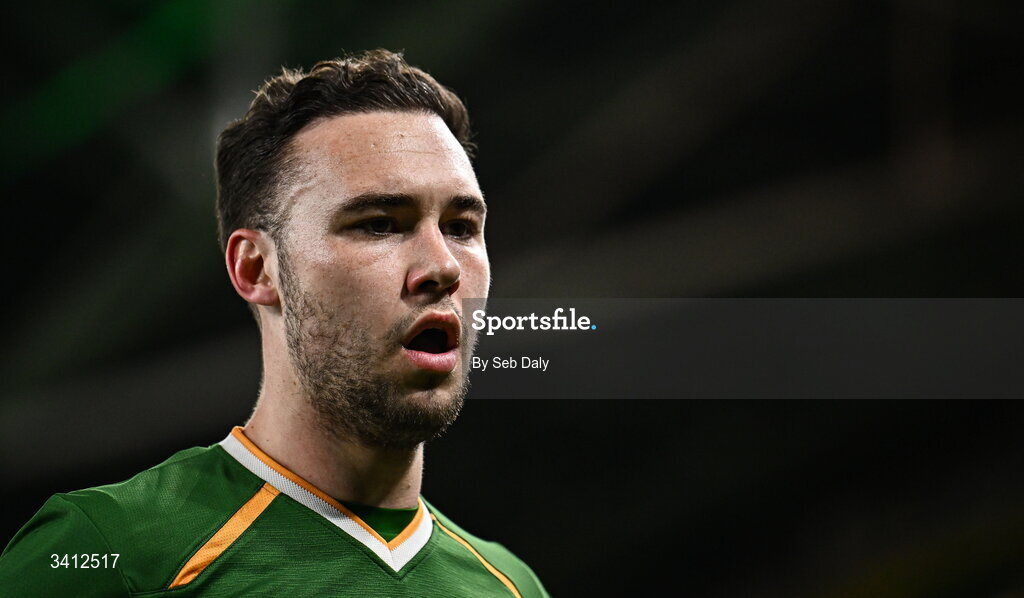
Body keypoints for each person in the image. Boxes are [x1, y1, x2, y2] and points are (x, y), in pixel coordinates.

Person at [0, 49, 549, 597]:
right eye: (380, 224)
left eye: (460, 226)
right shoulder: (106, 549)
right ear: (256, 268)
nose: (444, 268)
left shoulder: (512, 585)